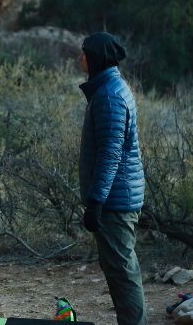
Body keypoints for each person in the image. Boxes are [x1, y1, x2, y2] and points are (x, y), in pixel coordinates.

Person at [78, 32, 147, 325]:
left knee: (123, 273)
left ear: (94, 57)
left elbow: (110, 154)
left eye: (83, 52)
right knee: (120, 271)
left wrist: (95, 202)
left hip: (115, 203)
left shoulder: (109, 96)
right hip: (117, 197)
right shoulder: (110, 88)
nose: (79, 58)